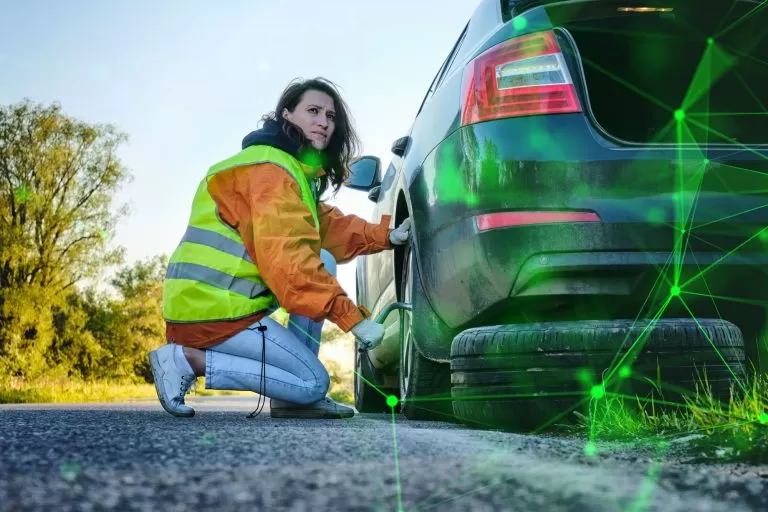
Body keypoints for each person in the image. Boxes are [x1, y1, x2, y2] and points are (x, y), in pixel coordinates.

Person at [149, 77, 411, 419]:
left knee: (325, 259)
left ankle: (291, 399)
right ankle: (185, 360)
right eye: (313, 111)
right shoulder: (269, 171)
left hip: (217, 305)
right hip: (214, 312)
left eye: (331, 117)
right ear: (286, 115)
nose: (324, 122)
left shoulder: (284, 168)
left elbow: (325, 227)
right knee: (313, 384)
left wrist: (384, 236)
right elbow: (290, 260)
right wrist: (352, 318)